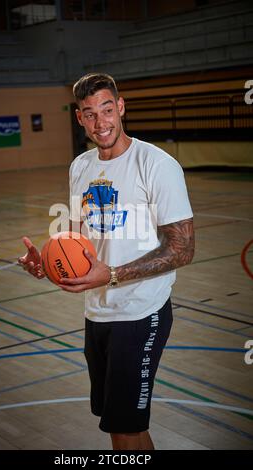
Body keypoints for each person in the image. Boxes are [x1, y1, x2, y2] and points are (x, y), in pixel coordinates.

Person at [18, 73, 195, 450]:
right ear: (79, 118)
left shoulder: (156, 164)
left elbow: (183, 249)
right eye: (90, 114)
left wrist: (113, 274)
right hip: (97, 313)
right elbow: (78, 241)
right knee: (121, 424)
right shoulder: (80, 167)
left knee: (125, 428)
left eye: (107, 110)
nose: (101, 123)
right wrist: (49, 264)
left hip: (140, 312)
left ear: (121, 107)